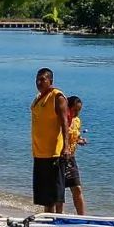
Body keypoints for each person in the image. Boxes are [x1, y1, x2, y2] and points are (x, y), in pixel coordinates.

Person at [28, 67, 67, 213]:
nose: (39, 82)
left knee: (55, 193)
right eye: (37, 79)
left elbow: (65, 123)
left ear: (50, 80)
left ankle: (57, 221)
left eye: (43, 79)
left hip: (54, 153)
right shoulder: (39, 97)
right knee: (44, 195)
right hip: (39, 152)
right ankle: (48, 219)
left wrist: (66, 147)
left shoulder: (58, 97)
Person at [60, 94, 87, 215]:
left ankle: (83, 217)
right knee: (59, 191)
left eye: (79, 110)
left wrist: (80, 140)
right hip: (59, 157)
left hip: (71, 158)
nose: (77, 113)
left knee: (77, 188)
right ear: (68, 107)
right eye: (75, 110)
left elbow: (76, 136)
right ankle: (58, 216)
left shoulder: (77, 121)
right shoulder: (62, 119)